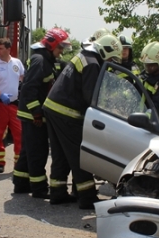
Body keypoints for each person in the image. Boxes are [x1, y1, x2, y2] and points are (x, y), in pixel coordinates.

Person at [43, 34, 123, 209]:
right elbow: (91, 96)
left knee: (60, 155)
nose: (111, 61)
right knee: (79, 155)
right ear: (105, 51)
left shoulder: (86, 56)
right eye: (111, 58)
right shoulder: (93, 64)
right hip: (67, 113)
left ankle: (57, 193)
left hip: (53, 108)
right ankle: (87, 197)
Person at [12, 27, 70, 196]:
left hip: (32, 114)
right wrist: (37, 113)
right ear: (51, 45)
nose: (61, 52)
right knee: (38, 152)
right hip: (32, 115)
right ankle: (39, 189)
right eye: (60, 48)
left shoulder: (46, 60)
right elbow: (29, 89)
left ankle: (21, 183)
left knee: (28, 150)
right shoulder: (40, 61)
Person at [0, 38, 25, 173]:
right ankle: (0, 162)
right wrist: (1, 94)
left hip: (14, 104)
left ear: (9, 49)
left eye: (1, 49)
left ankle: (18, 164)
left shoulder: (17, 63)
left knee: (19, 134)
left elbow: (22, 78)